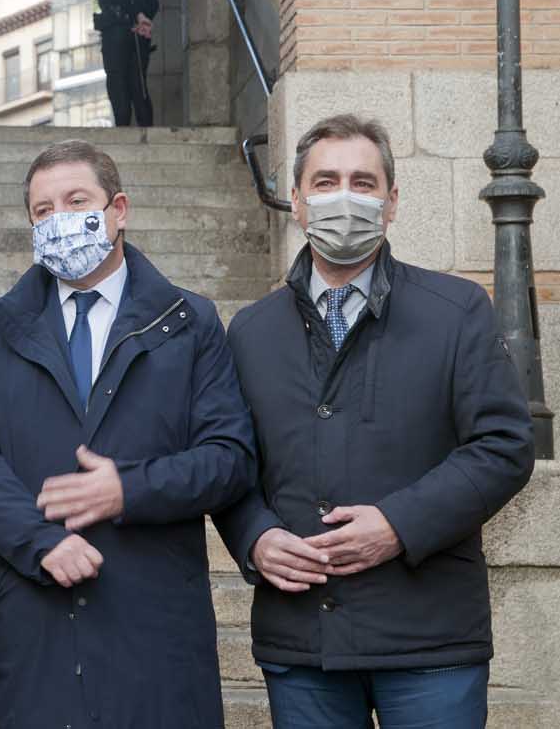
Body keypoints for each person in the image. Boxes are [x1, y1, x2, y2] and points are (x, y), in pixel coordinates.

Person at [214, 115, 535, 728]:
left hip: (430, 639)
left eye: (363, 183)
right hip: (302, 641)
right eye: (326, 181)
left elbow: (504, 445)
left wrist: (397, 524)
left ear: (391, 204)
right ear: (299, 202)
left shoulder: (456, 310)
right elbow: (229, 461)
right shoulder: (251, 331)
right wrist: (254, 537)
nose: (344, 197)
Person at [0, 139, 258, 727]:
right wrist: (40, 541)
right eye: (43, 210)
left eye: (76, 200)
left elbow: (229, 457)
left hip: (153, 622)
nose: (59, 219)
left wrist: (129, 490)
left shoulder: (190, 322)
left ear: (118, 210)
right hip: (35, 618)